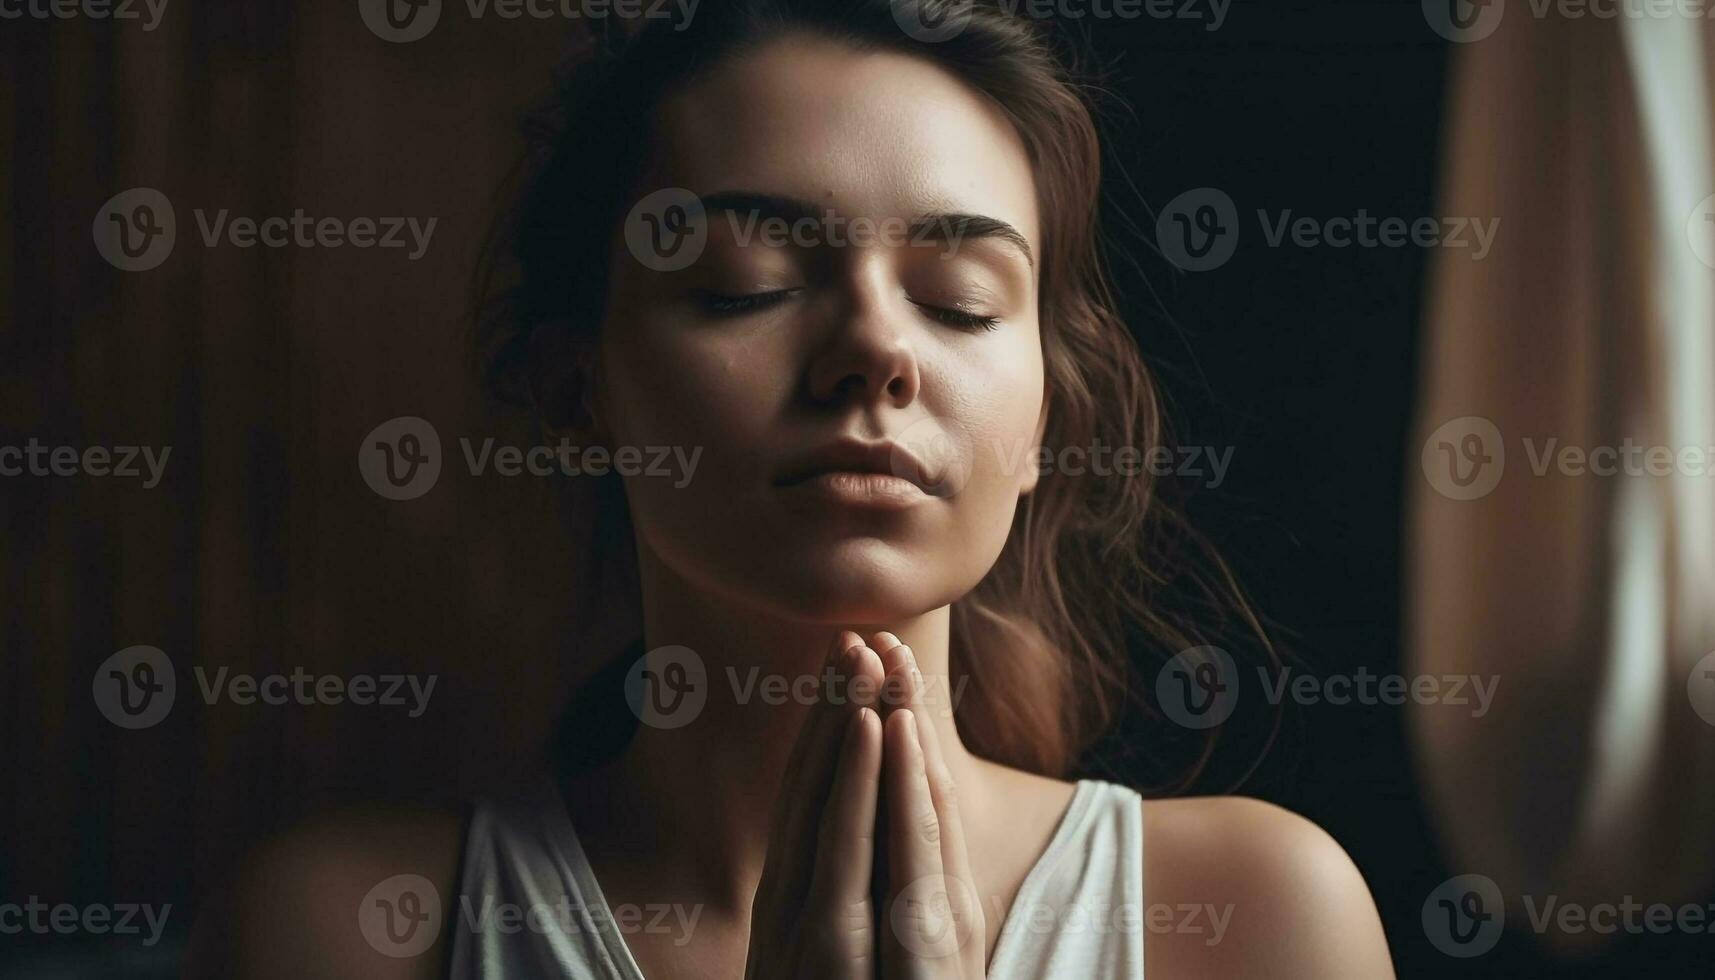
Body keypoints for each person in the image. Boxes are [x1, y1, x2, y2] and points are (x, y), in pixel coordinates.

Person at [202, 2, 1395, 976]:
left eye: (961, 299)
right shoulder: (343, 933)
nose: (876, 348)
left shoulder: (1253, 922)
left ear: (1045, 421)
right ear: (578, 391)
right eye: (743, 281)